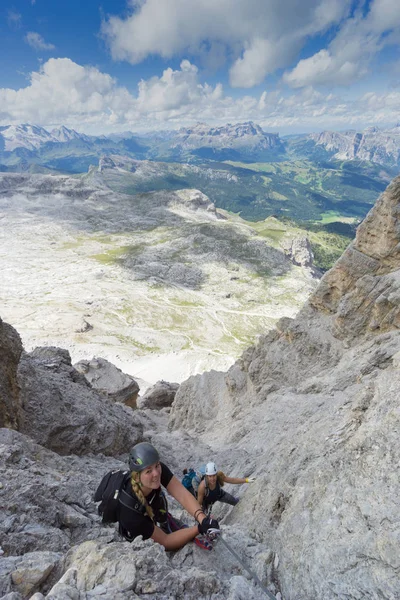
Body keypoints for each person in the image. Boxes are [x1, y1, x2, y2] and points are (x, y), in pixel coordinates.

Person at [117, 442, 219, 551]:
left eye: (157, 465)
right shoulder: (130, 513)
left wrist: (203, 519)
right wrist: (199, 528)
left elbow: (182, 494)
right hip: (136, 524)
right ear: (137, 477)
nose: (156, 473)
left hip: (150, 509)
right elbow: (166, 541)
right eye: (148, 471)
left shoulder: (155, 470)